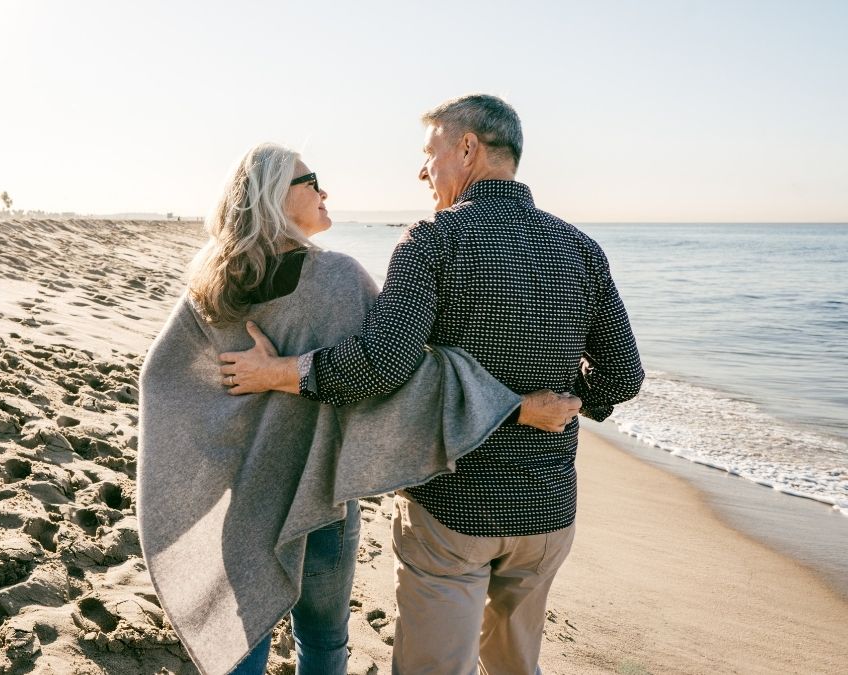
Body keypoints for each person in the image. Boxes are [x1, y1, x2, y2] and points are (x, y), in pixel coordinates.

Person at [219, 95, 645, 675]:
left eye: (430, 152)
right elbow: (624, 376)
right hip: (548, 510)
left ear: (467, 148)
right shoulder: (581, 249)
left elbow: (381, 365)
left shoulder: (434, 240)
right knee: (517, 666)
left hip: (454, 509)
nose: (423, 170)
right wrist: (571, 403)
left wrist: (281, 372)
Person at [137, 142, 580, 675]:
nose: (324, 191)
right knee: (323, 641)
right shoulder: (338, 279)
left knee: (242, 636)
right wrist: (516, 408)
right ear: (275, 197)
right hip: (320, 491)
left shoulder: (210, 284)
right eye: (311, 181)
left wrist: (232, 429)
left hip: (245, 493)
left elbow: (162, 381)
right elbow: (403, 375)